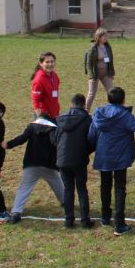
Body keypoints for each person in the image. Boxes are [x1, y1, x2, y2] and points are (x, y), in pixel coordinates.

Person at [89, 86, 135, 235]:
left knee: (105, 185)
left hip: (104, 155)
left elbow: (91, 134)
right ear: (123, 100)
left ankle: (105, 216)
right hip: (120, 156)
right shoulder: (124, 115)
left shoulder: (99, 113)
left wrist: (90, 149)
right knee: (120, 187)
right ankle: (119, 223)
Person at [3, 113, 64, 224]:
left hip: (32, 164)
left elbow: (21, 139)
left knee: (24, 188)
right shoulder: (54, 129)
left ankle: (16, 212)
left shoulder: (32, 127)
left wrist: (8, 144)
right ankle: (66, 202)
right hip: (49, 164)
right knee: (58, 185)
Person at [56, 93, 95, 229]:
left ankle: (68, 220)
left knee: (68, 189)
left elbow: (55, 139)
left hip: (62, 159)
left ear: (70, 104)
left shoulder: (60, 119)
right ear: (84, 105)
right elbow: (92, 139)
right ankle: (85, 221)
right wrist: (86, 151)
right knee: (81, 189)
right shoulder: (87, 119)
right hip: (79, 159)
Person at [85, 28, 116, 112]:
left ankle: (113, 110)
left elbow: (111, 61)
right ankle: (85, 111)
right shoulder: (93, 48)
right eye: (104, 36)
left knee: (111, 92)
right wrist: (91, 76)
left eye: (106, 36)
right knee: (91, 94)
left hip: (106, 74)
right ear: (98, 37)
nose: (106, 37)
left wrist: (111, 73)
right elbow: (88, 64)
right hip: (95, 74)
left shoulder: (108, 47)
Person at [31, 52, 61, 119]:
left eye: (52, 61)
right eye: (47, 62)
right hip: (44, 116)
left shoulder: (54, 75)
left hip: (54, 114)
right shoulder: (38, 80)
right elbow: (36, 101)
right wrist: (41, 118)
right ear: (41, 64)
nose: (50, 64)